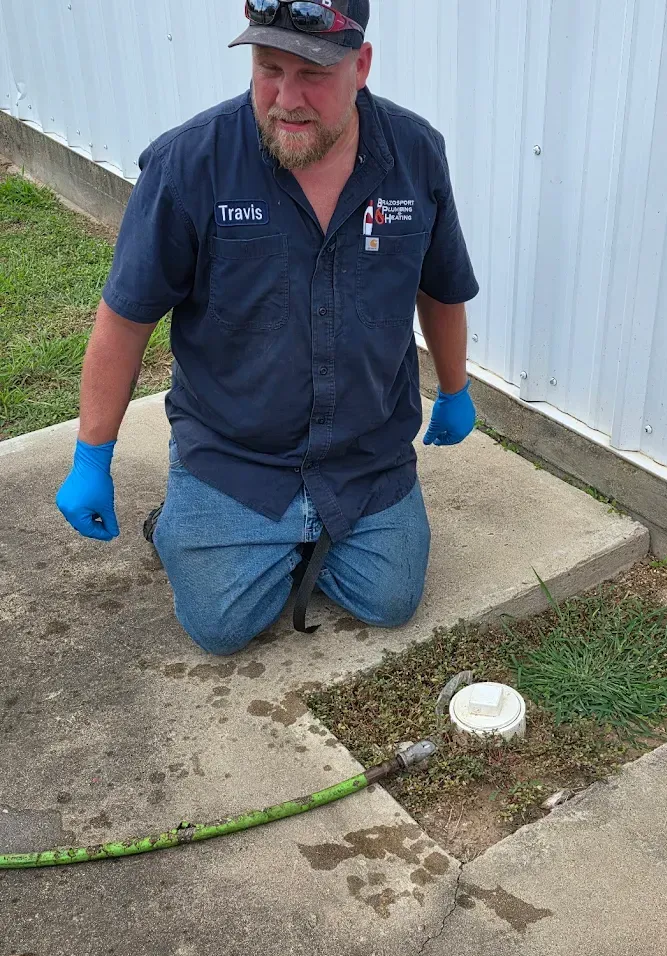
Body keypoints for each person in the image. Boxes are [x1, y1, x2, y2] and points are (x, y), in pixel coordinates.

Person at [56, 0, 479, 655]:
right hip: (235, 457)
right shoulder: (190, 163)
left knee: (390, 601)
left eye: (312, 72)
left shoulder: (415, 154)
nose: (286, 97)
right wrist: (91, 457)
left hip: (366, 453)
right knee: (220, 628)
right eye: (268, 68)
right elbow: (125, 319)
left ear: (359, 65)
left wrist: (453, 388)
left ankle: (299, 531)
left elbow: (440, 285)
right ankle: (189, 520)